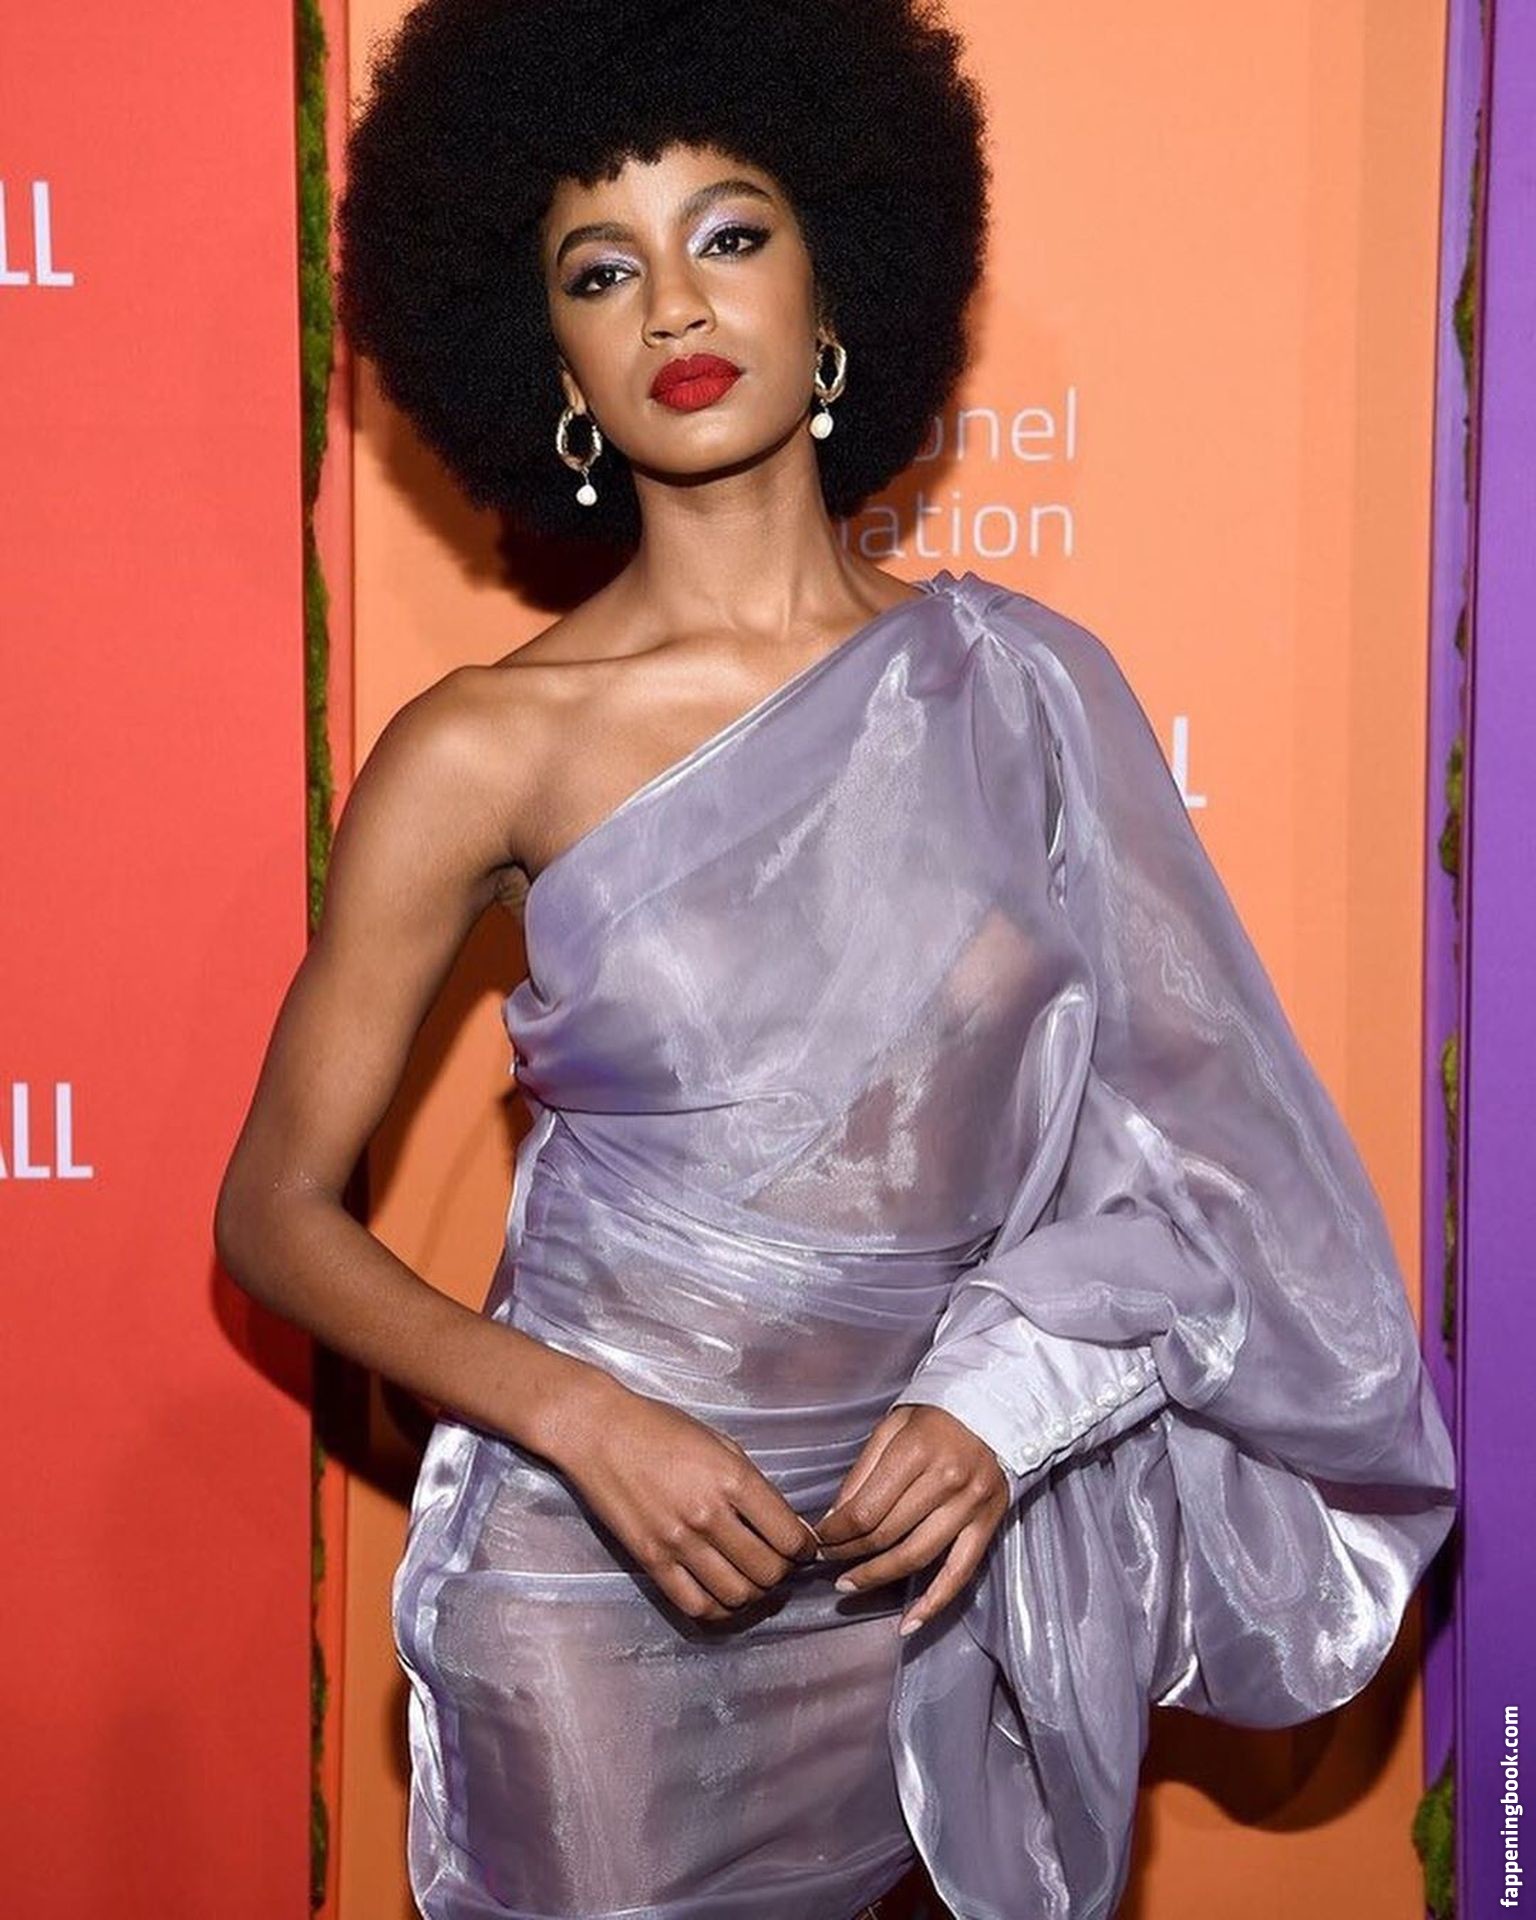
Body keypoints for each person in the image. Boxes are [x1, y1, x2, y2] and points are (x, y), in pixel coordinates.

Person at [213, 2, 1459, 1916]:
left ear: (834, 284)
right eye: (600, 270)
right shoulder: (484, 746)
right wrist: (574, 1416)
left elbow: (1206, 1174)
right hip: (590, 1580)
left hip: (909, 1586)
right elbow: (275, 1212)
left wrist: (1004, 1406)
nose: (672, 306)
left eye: (730, 233)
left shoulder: (1029, 697)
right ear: (551, 356)